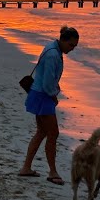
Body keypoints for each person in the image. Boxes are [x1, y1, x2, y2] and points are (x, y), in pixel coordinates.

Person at [18, 25, 80, 184]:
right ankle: (52, 172)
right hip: (42, 96)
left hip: (38, 94)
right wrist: (53, 96)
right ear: (63, 40)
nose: (72, 49)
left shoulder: (52, 47)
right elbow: (47, 83)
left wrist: (52, 92)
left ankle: (26, 168)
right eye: (71, 45)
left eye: (75, 46)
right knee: (53, 134)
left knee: (42, 132)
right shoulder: (53, 54)